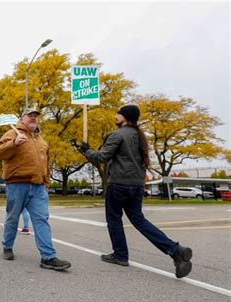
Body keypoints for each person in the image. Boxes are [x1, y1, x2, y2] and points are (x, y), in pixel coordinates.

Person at [77, 104, 193, 278]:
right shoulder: (140, 137)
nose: (116, 116)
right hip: (137, 185)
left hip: (118, 184)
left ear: (125, 117)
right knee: (139, 220)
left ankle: (121, 255)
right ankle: (175, 250)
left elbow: (102, 157)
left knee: (114, 219)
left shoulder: (117, 135)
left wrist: (86, 150)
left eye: (119, 113)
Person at [0, 108, 71, 271]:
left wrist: (46, 183)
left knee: (42, 219)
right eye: (30, 116)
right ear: (22, 119)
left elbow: (46, 163)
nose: (33, 118)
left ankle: (48, 257)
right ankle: (7, 246)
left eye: (36, 116)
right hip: (17, 184)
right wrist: (14, 144)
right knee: (13, 218)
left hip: (38, 187)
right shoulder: (11, 134)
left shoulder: (41, 140)